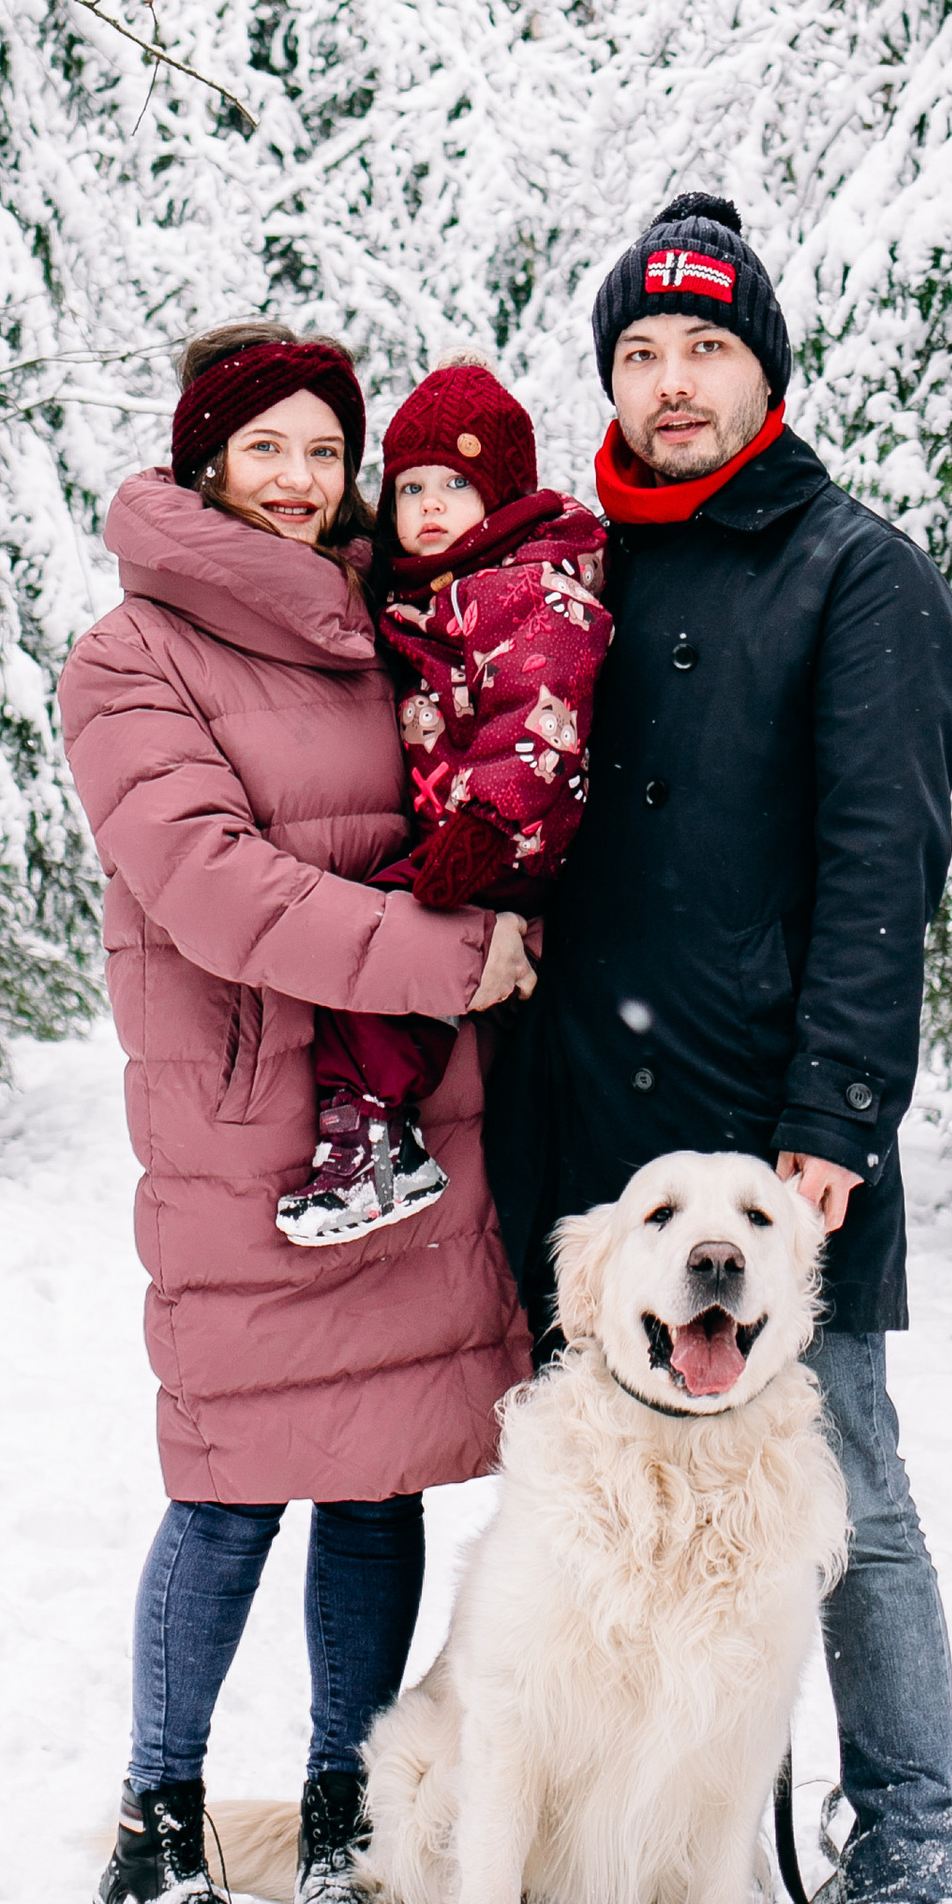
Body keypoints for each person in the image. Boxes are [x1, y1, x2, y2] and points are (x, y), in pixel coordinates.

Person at [486, 193, 952, 1904]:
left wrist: (834, 1117)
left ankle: (912, 1879)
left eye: (703, 350)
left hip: (781, 1159)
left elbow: (881, 869)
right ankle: (631, 1851)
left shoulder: (859, 574)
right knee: (592, 1522)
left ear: (764, 368)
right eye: (637, 354)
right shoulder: (574, 565)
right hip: (598, 1157)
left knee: (846, 1501)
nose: (669, 384)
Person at [59, 319, 537, 1904]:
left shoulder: (381, 630)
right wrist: (444, 962)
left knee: (375, 1470)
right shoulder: (129, 658)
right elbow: (210, 886)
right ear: (204, 464)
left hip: (404, 1119)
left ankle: (343, 1821)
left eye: (325, 449)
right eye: (264, 447)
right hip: (253, 1126)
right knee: (232, 1479)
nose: (300, 478)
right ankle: (154, 1830)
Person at [279, 363, 611, 1249]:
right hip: (464, 836)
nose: (428, 505)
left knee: (383, 950)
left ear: (501, 492)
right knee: (392, 967)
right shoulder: (427, 595)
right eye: (411, 487)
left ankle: (374, 1136)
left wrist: (489, 826)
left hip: (509, 839)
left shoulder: (531, 593)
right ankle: (376, 1131)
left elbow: (544, 720)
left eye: (455, 485)